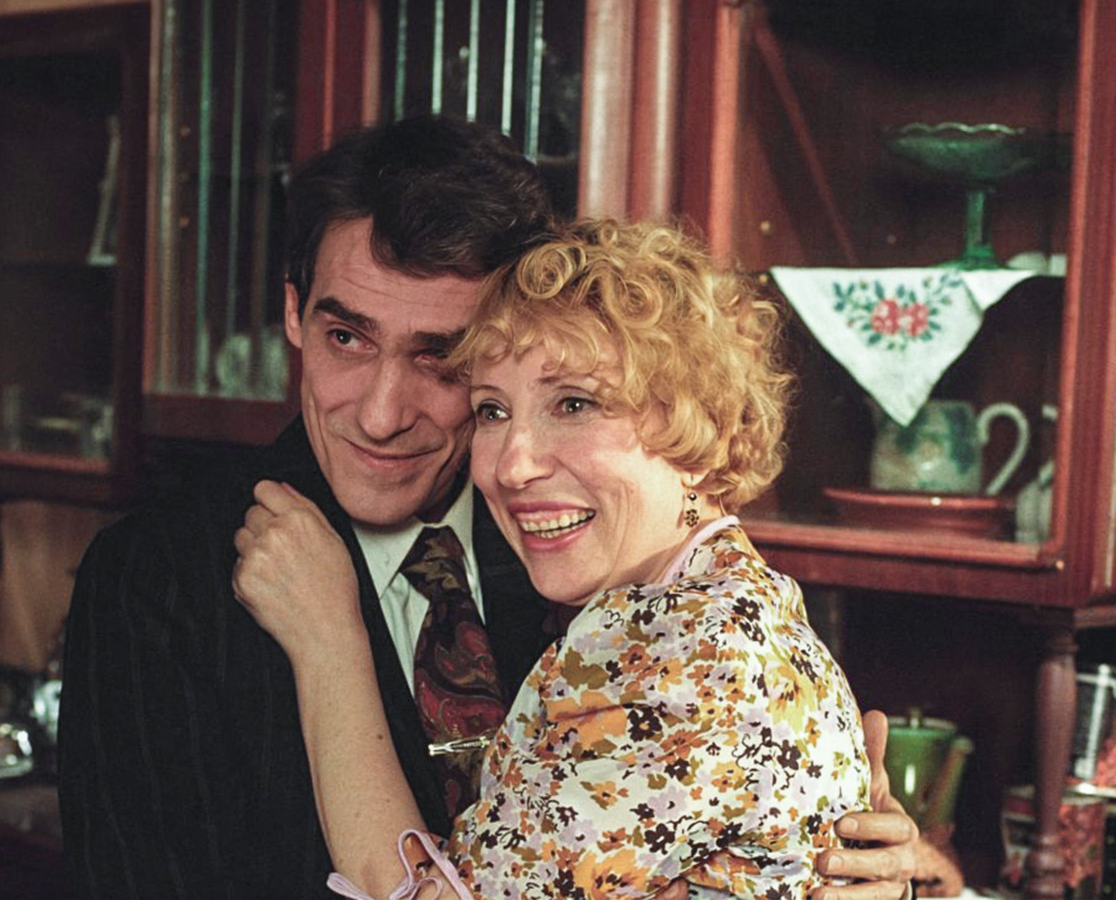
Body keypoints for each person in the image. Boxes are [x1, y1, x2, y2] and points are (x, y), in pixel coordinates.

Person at [58, 116, 916, 899]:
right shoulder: (159, 579)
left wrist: (854, 874)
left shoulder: (592, 552)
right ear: (293, 313)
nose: (381, 414)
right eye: (346, 337)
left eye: (440, 359)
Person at [233, 219, 876, 898]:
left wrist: (328, 645)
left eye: (574, 403)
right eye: (491, 411)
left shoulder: (695, 661)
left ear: (703, 428)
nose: (512, 466)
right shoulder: (720, 608)